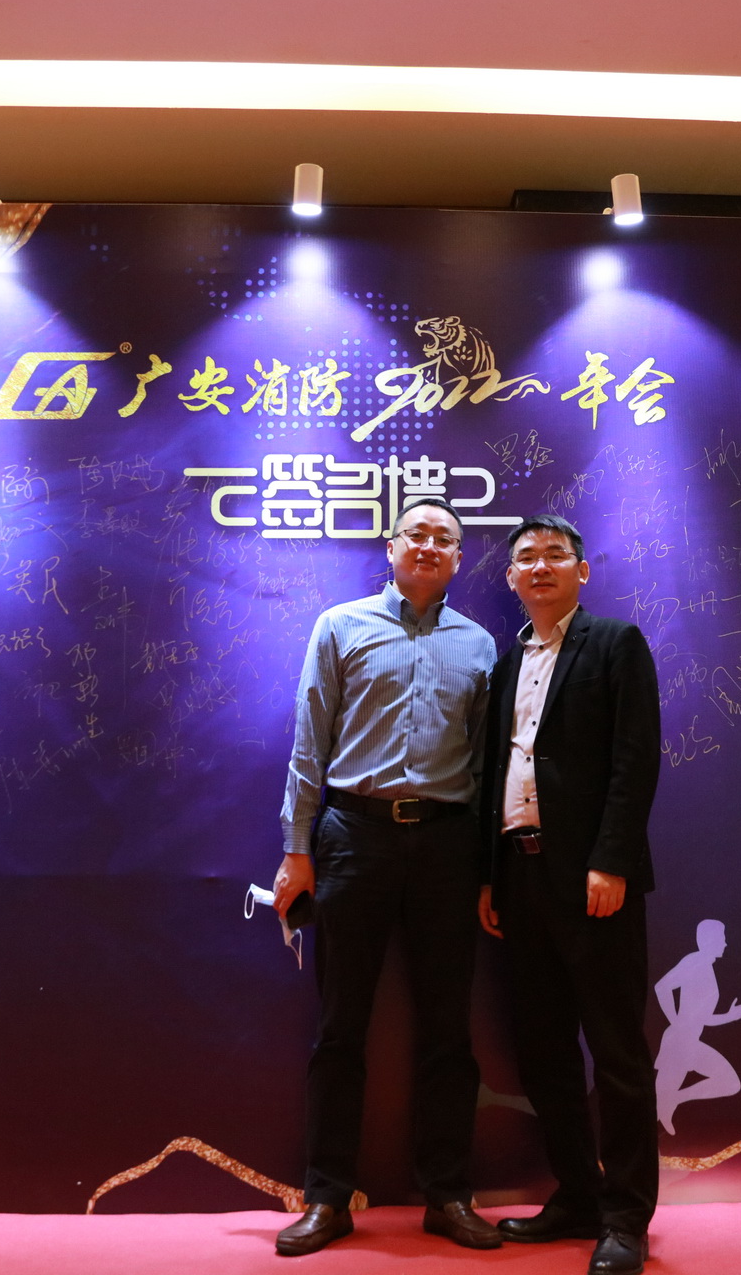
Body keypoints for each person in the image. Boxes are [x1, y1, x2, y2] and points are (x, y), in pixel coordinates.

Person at [269, 496, 503, 1257]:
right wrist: (296, 849)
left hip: (447, 844)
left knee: (447, 1030)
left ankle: (448, 1195)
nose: (429, 547)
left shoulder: (480, 645)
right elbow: (310, 742)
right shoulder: (340, 626)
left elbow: (488, 765)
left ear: (459, 558)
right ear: (391, 546)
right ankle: (328, 1198)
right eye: (417, 534)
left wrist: (487, 868)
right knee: (340, 1027)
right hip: (352, 837)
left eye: (445, 539)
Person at [478, 514, 662, 1275]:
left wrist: (610, 860)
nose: (540, 566)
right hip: (520, 878)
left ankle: (625, 1217)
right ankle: (578, 1197)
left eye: (556, 555)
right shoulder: (504, 666)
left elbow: (635, 759)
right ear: (511, 578)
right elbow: (494, 774)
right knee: (545, 1052)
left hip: (593, 879)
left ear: (582, 571)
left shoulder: (615, 644)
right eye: (526, 557)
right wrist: (490, 876)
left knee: (617, 1054)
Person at [653, 919, 741, 1134]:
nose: (725, 943)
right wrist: (676, 1022)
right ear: (710, 940)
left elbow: (702, 1018)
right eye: (722, 938)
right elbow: (662, 987)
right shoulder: (694, 962)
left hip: (690, 1044)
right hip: (678, 1044)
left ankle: (674, 1099)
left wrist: (730, 1016)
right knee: (656, 1105)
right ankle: (664, 1111)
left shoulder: (705, 967)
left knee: (730, 1082)